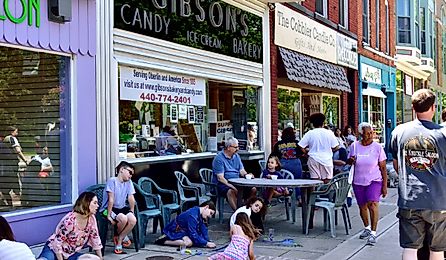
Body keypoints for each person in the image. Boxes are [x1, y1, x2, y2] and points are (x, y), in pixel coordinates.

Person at [390, 89, 446, 260]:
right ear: (433, 108)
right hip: (438, 200)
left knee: (410, 248)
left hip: (410, 198)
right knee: (437, 250)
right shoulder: (443, 134)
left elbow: (396, 164)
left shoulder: (399, 132)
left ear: (413, 108)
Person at [347, 122, 387, 246]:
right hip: (358, 180)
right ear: (360, 133)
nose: (370, 135)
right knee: (362, 206)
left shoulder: (377, 147)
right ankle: (367, 227)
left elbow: (383, 168)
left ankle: (373, 233)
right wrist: (351, 160)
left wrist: (384, 185)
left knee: (372, 204)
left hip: (374, 180)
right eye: (367, 133)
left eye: (371, 133)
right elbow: (348, 161)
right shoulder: (354, 146)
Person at [38, 192, 103, 260]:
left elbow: (95, 238)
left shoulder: (91, 219)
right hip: (53, 250)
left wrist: (100, 258)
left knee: (94, 259)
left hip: (69, 254)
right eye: (95, 203)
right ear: (86, 203)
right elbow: (57, 243)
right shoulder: (70, 221)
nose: (97, 206)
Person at [99, 161, 137, 254]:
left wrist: (131, 211)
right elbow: (111, 199)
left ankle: (120, 237)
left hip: (121, 207)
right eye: (130, 172)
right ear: (122, 170)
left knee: (133, 220)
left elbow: (131, 197)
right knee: (123, 219)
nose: (131, 175)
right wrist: (108, 215)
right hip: (108, 209)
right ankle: (119, 242)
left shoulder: (129, 182)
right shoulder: (112, 181)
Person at [212, 137, 256, 211]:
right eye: (236, 147)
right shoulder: (219, 158)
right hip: (224, 183)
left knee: (253, 189)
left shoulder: (236, 156)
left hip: (237, 181)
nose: (238, 149)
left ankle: (246, 209)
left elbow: (241, 170)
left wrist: (247, 175)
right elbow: (220, 178)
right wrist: (232, 186)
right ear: (228, 147)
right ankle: (238, 213)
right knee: (231, 191)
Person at [298, 113, 339, 183]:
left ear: (312, 124)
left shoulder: (310, 133)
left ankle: (314, 193)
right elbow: (336, 147)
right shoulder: (329, 133)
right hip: (327, 159)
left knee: (314, 181)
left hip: (313, 158)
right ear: (323, 123)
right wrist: (329, 150)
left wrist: (306, 153)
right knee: (327, 181)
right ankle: (326, 193)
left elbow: (300, 146)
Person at [272, 127, 303, 200]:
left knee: (284, 180)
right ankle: (299, 198)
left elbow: (275, 155)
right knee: (297, 181)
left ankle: (287, 196)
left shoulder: (278, 144)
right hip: (295, 163)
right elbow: (301, 153)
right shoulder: (297, 143)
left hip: (284, 163)